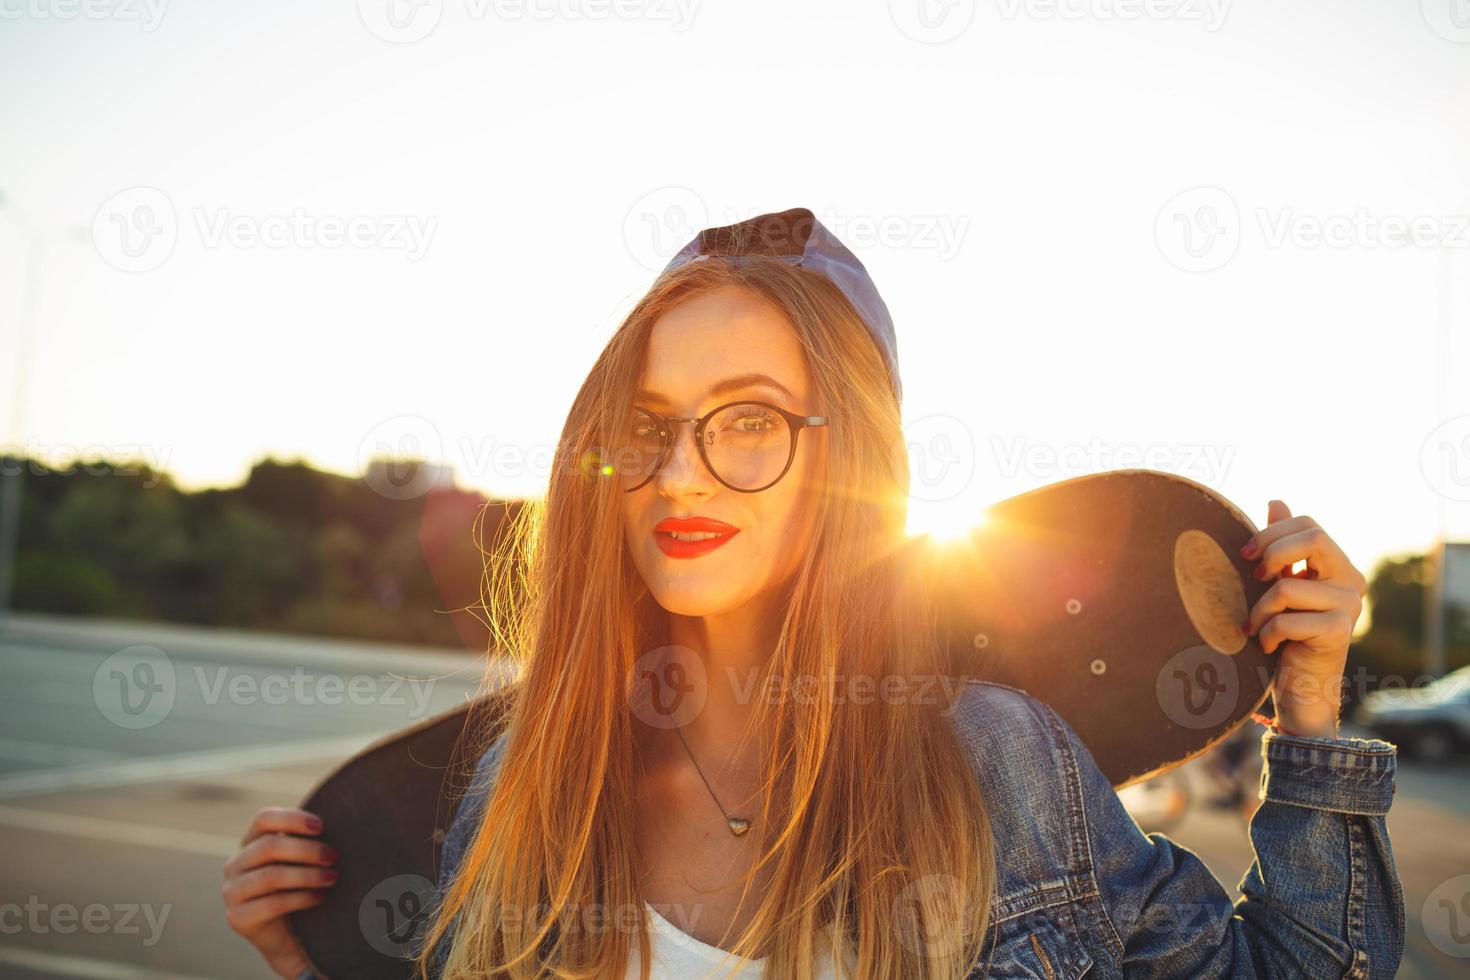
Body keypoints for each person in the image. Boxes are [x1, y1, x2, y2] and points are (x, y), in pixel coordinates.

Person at [222, 208, 1404, 979]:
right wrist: (310, 956)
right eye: (645, 426)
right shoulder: (523, 787)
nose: (678, 471)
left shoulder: (996, 766)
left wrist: (1312, 717)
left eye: (748, 420)